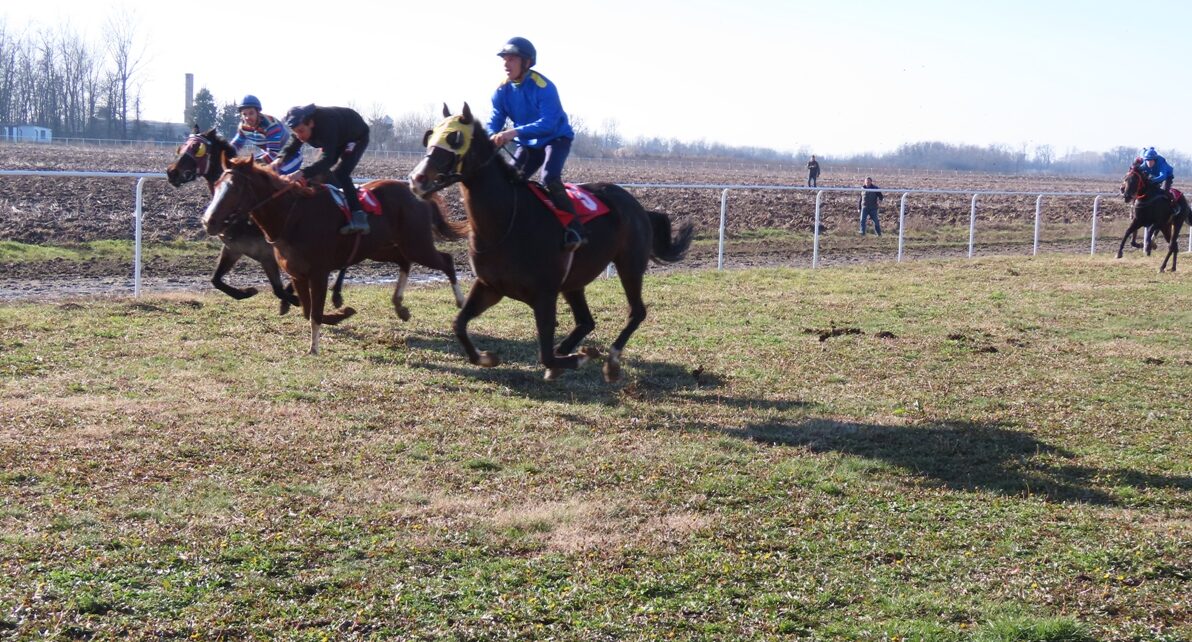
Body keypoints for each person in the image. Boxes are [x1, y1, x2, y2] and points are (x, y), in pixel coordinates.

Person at [487, 36, 587, 251]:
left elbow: (548, 124)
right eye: (505, 59)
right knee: (510, 180)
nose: (506, 64)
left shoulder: (544, 87)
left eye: (512, 59)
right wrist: (491, 136)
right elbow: (493, 121)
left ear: (527, 62)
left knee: (549, 177)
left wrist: (513, 132)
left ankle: (574, 229)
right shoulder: (501, 91)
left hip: (556, 138)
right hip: (529, 143)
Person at [273, 104, 371, 235]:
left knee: (341, 174)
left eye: (301, 131)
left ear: (311, 123)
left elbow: (327, 160)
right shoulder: (302, 125)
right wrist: (279, 159)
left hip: (355, 137)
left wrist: (302, 172)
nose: (299, 136)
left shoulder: (326, 124)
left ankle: (358, 215)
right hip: (338, 137)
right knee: (318, 173)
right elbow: (292, 145)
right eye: (296, 132)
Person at [228, 95, 287, 163]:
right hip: (269, 153)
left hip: (288, 153)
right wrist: (224, 153)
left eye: (251, 113)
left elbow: (273, 154)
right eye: (244, 114)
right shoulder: (243, 127)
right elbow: (236, 145)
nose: (247, 118)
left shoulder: (271, 125)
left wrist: (252, 164)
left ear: (258, 113)